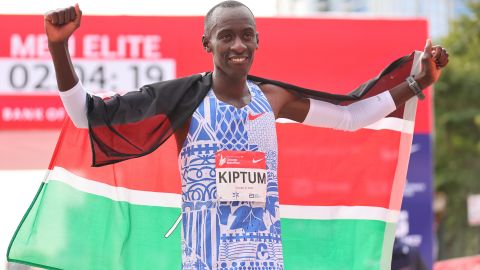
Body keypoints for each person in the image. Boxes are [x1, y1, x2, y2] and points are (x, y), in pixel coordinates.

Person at [44, 1, 449, 269]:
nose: (238, 44)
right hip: (206, 261)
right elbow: (86, 116)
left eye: (247, 34)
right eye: (226, 35)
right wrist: (59, 48)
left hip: (265, 261)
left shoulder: (272, 100)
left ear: (258, 40)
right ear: (207, 43)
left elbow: (352, 116)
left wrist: (417, 84)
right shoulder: (183, 100)